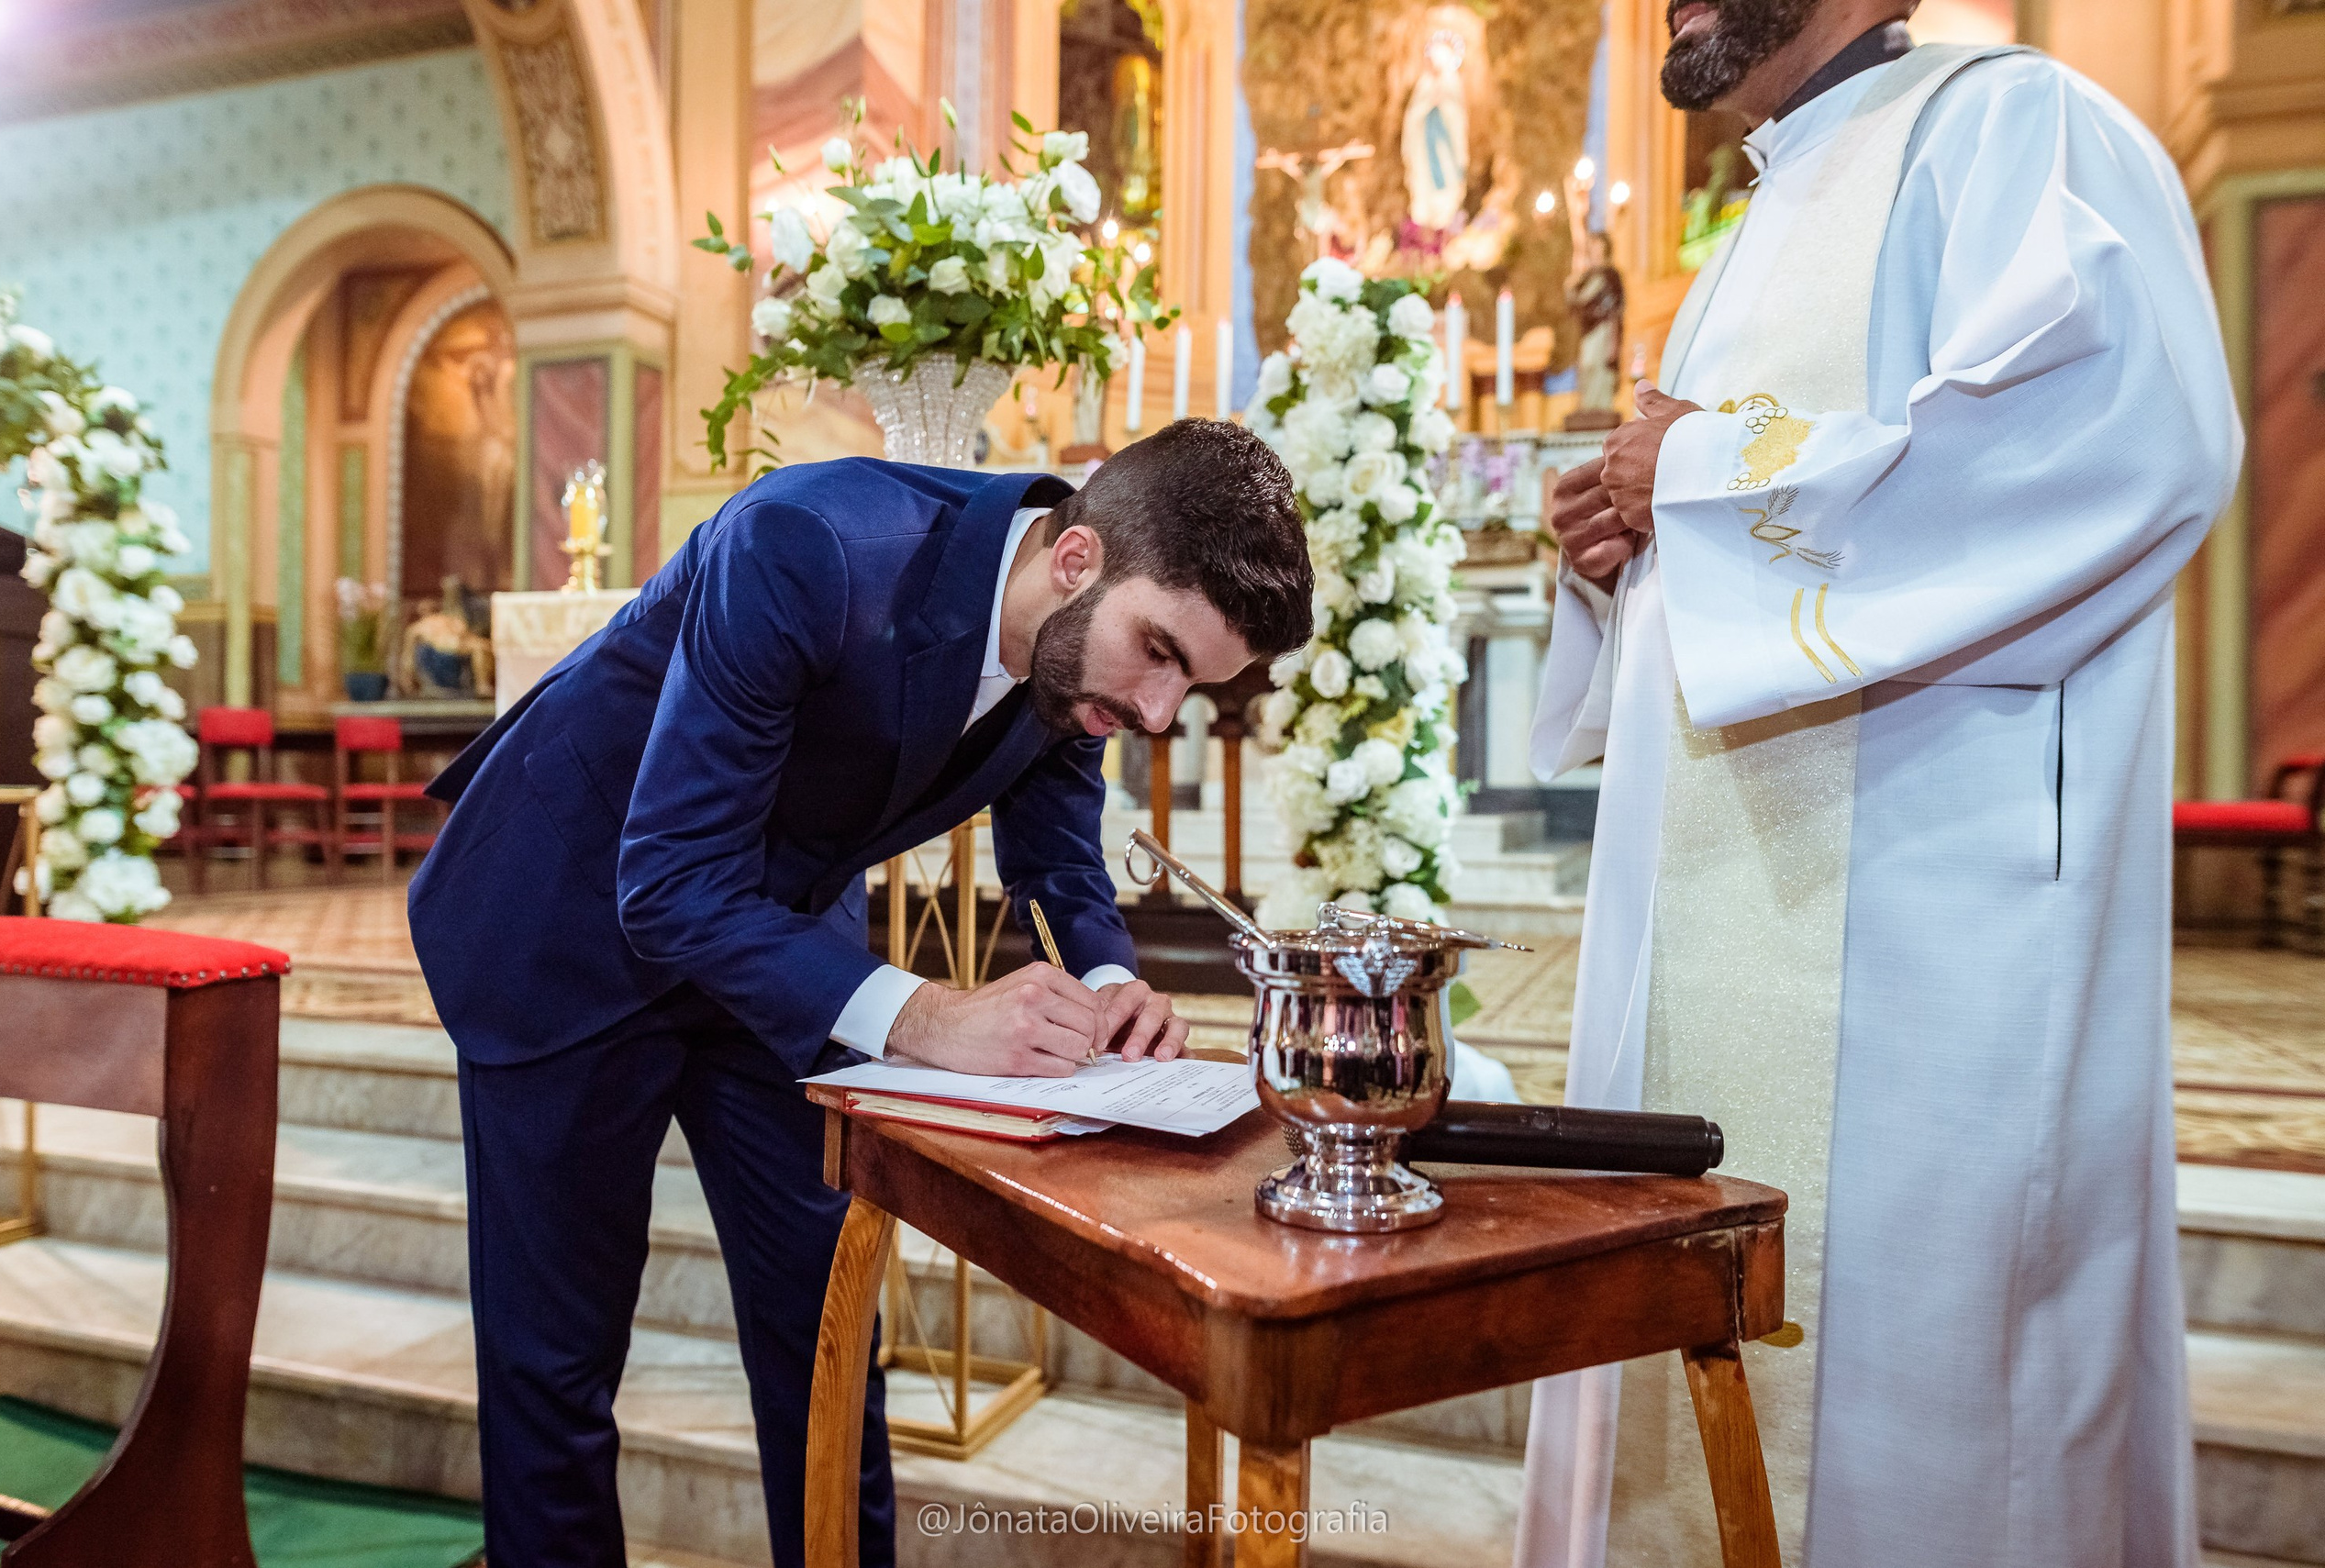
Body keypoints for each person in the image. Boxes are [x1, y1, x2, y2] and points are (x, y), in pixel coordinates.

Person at [1515, 3, 2238, 1566]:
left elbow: (2120, 439)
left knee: (1926, 1396)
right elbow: (1739, 515)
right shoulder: (1771, 207)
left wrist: (1701, 475)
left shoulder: (2019, 127)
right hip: (1734, 894)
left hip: (1925, 929)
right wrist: (1627, 552)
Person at [407, 420, 1315, 1568]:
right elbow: (671, 881)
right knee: (555, 1359)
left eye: (1192, 681)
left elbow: (1056, 851)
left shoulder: (1081, 660)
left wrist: (1111, 978)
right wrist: (928, 1017)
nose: (1159, 710)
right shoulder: (808, 542)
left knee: (826, 1335)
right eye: (1160, 653)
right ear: (1075, 558)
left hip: (784, 958)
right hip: (565, 919)